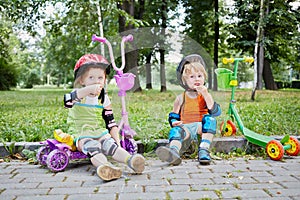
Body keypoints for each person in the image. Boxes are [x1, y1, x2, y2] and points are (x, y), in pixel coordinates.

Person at [57, 54, 145, 181]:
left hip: (99, 131)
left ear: (104, 80)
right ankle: (106, 167)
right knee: (93, 147)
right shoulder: (78, 95)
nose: (96, 81)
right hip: (81, 133)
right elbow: (67, 101)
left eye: (100, 78)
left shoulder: (103, 98)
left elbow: (111, 123)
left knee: (110, 145)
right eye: (91, 77)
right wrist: (88, 90)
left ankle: (131, 161)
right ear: (82, 80)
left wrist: (117, 142)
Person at [156, 54, 221, 165]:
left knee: (211, 120)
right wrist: (174, 122)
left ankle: (204, 150)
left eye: (200, 76)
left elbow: (215, 111)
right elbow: (174, 115)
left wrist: (205, 93)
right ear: (184, 81)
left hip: (201, 126)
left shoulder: (204, 95)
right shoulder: (181, 97)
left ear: (204, 78)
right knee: (176, 131)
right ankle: (173, 152)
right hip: (186, 127)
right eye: (192, 77)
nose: (196, 79)